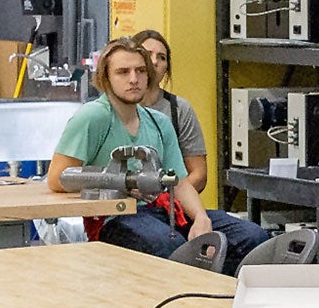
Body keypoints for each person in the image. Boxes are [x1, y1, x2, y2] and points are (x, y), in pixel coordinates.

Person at [48, 38, 269, 274]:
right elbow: (58, 178)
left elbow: (180, 182)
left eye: (140, 71)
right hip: (117, 216)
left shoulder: (159, 122)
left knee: (252, 237)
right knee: (170, 246)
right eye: (123, 72)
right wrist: (121, 183)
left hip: (165, 212)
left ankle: (219, 301)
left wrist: (202, 219)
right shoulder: (93, 117)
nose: (134, 79)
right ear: (106, 77)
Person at [132, 29, 211, 194]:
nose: (155, 62)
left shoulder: (179, 109)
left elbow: (198, 174)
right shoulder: (114, 109)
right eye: (148, 54)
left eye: (162, 57)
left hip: (173, 203)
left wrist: (168, 200)